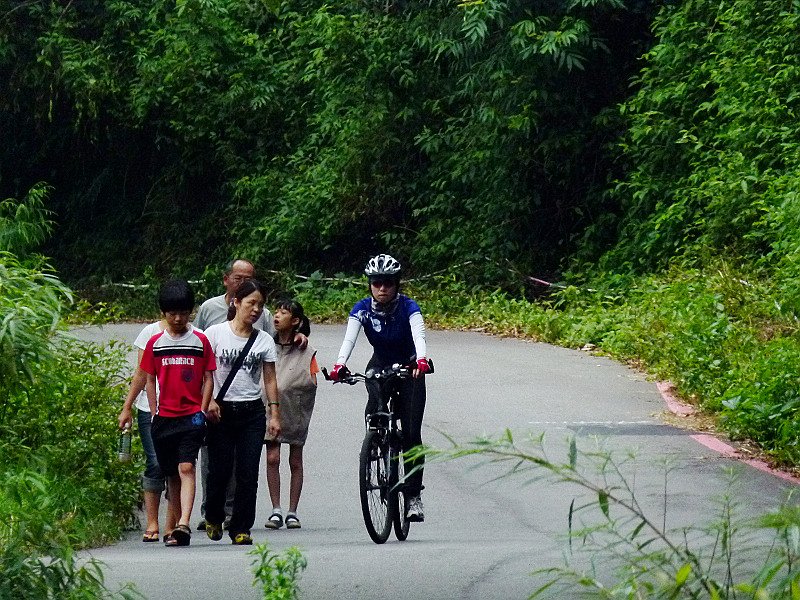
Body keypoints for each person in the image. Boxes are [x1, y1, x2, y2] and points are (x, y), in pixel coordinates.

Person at [329, 254, 431, 522]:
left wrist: (421, 359)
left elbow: (419, 334)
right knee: (374, 410)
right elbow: (349, 339)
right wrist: (340, 365)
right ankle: (377, 446)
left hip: (410, 366)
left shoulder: (408, 307)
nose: (382, 288)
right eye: (376, 283)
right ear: (370, 285)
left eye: (387, 283)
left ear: (396, 284)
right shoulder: (362, 309)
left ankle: (412, 496)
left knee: (411, 432)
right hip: (381, 364)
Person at [193, 258, 272, 531]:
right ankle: (212, 515)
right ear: (235, 302)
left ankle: (241, 527)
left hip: (251, 410)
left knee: (248, 473)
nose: (256, 309)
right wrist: (208, 400)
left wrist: (274, 411)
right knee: (219, 469)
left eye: (259, 305)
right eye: (251, 303)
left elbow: (269, 372)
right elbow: (202, 367)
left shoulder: (264, 334)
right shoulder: (213, 329)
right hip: (220, 409)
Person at [141, 279, 216, 547]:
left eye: (183, 313)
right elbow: (149, 379)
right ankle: (173, 527)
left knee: (187, 466)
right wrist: (153, 411)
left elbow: (209, 378)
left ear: (190, 312)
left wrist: (203, 409)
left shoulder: (200, 341)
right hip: (164, 418)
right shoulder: (155, 343)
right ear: (163, 313)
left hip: (191, 416)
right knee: (171, 472)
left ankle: (183, 522)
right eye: (172, 313)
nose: (178, 318)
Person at [117, 318, 177, 542]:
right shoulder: (150, 333)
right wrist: (127, 407)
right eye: (172, 311)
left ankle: (172, 524)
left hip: (182, 410)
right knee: (155, 462)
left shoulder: (196, 335)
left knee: (176, 465)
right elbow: (142, 373)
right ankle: (152, 521)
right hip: (148, 408)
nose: (177, 317)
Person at [264, 298, 318, 530]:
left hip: (295, 409)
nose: (277, 316)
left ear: (295, 321)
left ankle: (292, 510)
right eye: (276, 312)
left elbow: (312, 378)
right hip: (271, 408)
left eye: (283, 313)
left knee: (295, 459)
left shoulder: (306, 349)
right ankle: (276, 509)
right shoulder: (266, 343)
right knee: (272, 457)